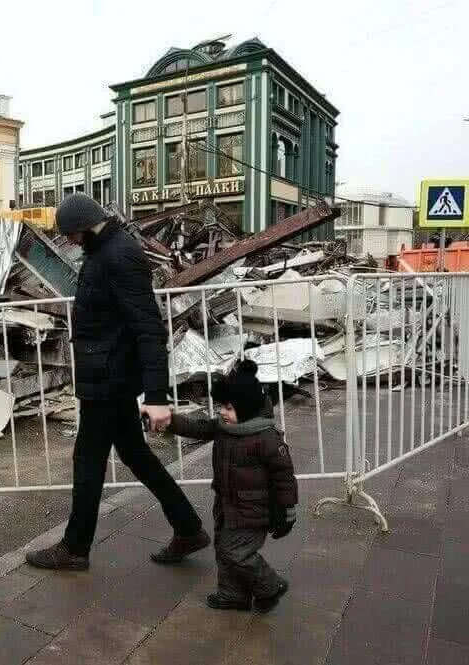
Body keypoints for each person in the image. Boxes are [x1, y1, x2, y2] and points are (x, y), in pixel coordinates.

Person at [25, 193, 210, 571]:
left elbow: (148, 327)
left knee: (88, 458)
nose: (72, 243)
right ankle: (188, 527)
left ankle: (75, 547)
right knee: (134, 454)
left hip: (109, 378)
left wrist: (156, 395)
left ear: (84, 228)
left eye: (73, 235)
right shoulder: (104, 251)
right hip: (106, 373)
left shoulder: (119, 255)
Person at [151, 360, 298, 612]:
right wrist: (170, 421)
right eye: (221, 407)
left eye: (228, 408)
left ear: (246, 408)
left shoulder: (266, 439)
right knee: (224, 549)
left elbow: (285, 478)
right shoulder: (224, 427)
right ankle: (232, 595)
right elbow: (195, 428)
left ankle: (269, 585)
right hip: (227, 504)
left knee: (236, 553)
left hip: (254, 511)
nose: (222, 412)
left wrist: (288, 512)